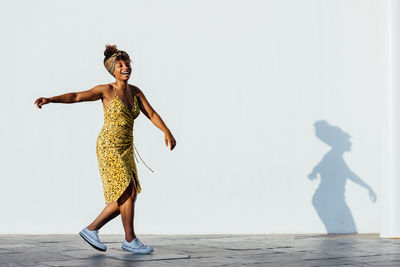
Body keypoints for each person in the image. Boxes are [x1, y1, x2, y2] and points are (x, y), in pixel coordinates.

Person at [34, 44, 176, 254]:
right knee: (126, 189)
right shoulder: (106, 90)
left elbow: (152, 114)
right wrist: (51, 99)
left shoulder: (135, 92)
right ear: (112, 70)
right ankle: (129, 239)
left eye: (127, 63)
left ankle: (92, 229)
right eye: (120, 65)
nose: (125, 67)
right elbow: (76, 96)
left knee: (130, 193)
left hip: (126, 147)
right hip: (108, 146)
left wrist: (167, 131)